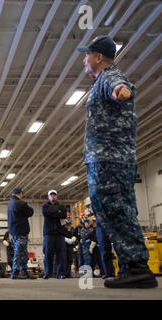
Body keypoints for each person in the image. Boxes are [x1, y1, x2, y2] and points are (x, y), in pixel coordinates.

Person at [77, 35, 157, 288]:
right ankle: (132, 267)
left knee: (116, 211)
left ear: (98, 57)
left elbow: (121, 85)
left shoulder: (108, 76)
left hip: (109, 159)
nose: (83, 59)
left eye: (86, 54)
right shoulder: (101, 80)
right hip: (111, 159)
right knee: (117, 211)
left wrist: (122, 90)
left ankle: (136, 268)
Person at [7, 187, 36, 279]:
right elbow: (30, 212)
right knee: (19, 251)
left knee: (23, 251)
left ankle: (24, 271)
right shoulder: (21, 203)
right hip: (21, 230)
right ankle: (15, 272)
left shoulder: (10, 204)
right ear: (20, 194)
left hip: (14, 231)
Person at [41, 190, 67, 279]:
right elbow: (46, 213)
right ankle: (48, 273)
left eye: (54, 195)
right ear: (48, 196)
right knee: (48, 254)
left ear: (57, 196)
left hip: (59, 233)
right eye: (51, 195)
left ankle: (61, 273)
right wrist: (57, 212)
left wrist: (53, 212)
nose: (53, 196)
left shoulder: (62, 206)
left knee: (61, 255)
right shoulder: (44, 206)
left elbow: (63, 215)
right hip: (48, 233)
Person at [62, 214, 77, 278]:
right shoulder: (62, 228)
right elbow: (61, 236)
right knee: (64, 259)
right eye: (67, 217)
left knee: (70, 259)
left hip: (70, 246)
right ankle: (64, 273)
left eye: (69, 217)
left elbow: (75, 235)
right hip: (64, 245)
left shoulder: (72, 228)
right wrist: (67, 240)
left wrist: (74, 238)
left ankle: (68, 273)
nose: (68, 219)